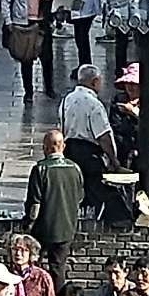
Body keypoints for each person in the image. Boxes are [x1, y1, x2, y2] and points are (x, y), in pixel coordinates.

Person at [24, 128, 84, 273]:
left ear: (45, 148)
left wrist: (29, 225)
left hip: (43, 229)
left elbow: (35, 205)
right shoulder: (75, 168)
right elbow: (80, 198)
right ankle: (58, 295)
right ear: (63, 146)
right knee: (58, 268)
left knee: (34, 267)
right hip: (66, 229)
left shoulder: (40, 169)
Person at [59, 66, 115, 209]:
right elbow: (103, 136)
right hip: (89, 154)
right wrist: (113, 160)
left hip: (70, 152)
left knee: (74, 193)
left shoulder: (67, 100)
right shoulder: (94, 104)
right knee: (94, 194)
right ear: (94, 81)